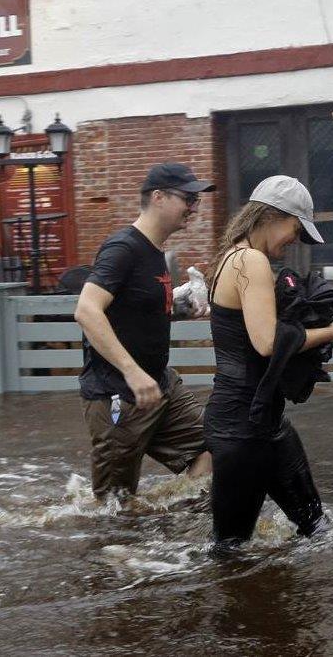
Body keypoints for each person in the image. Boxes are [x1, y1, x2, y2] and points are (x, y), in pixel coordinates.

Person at [204, 175, 333, 547]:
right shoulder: (250, 261)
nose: (294, 241)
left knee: (318, 527)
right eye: (296, 229)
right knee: (231, 550)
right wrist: (328, 333)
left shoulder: (234, 255)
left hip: (262, 420)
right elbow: (266, 343)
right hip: (240, 428)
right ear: (271, 216)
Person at [73, 163, 216, 498]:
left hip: (160, 388)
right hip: (119, 395)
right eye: (188, 198)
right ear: (158, 197)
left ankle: (176, 531)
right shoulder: (123, 248)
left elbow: (133, 310)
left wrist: (179, 309)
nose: (194, 207)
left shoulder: (156, 253)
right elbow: (87, 310)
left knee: (214, 449)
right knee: (114, 507)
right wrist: (133, 373)